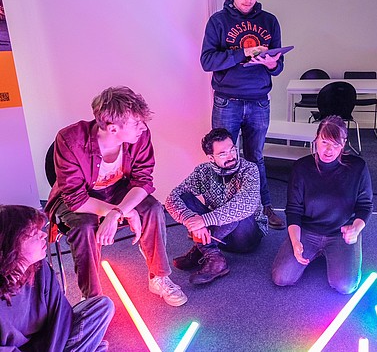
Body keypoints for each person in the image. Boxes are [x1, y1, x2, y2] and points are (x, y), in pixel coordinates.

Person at [44, 86, 187, 306]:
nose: (142, 127)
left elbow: (142, 180)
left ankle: (159, 277)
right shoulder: (69, 139)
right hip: (79, 197)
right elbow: (75, 197)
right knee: (84, 227)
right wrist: (118, 212)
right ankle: (92, 299)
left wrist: (118, 212)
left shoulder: (142, 135)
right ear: (112, 128)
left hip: (118, 189)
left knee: (153, 209)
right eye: (135, 123)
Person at [200, 0, 286, 230]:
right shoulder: (218, 21)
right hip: (228, 100)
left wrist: (272, 64)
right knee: (224, 157)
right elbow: (207, 61)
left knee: (255, 157)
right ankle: (224, 211)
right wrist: (243, 54)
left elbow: (278, 66)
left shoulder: (269, 21)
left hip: (260, 100)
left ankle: (263, 207)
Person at [271, 116, 373, 294]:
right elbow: (293, 210)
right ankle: (314, 251)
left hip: (340, 233)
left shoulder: (357, 167)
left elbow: (365, 206)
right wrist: (295, 242)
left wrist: (355, 229)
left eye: (335, 144)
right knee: (281, 278)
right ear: (316, 139)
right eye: (324, 142)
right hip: (307, 231)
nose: (329, 150)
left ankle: (337, 253)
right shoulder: (301, 168)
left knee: (345, 286)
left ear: (344, 144)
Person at [0, 205, 114, 351]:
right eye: (35, 233)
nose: (44, 235)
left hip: (50, 340)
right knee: (98, 346)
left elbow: (61, 314)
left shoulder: (40, 268)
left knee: (103, 306)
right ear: (13, 244)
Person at [165, 128, 267, 285]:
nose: (231, 155)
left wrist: (204, 220)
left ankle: (203, 248)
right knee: (184, 197)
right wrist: (191, 220)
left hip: (246, 236)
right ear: (211, 158)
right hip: (219, 234)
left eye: (232, 149)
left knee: (238, 208)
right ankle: (213, 255)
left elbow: (247, 203)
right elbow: (172, 198)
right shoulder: (203, 171)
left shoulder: (249, 169)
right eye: (223, 154)